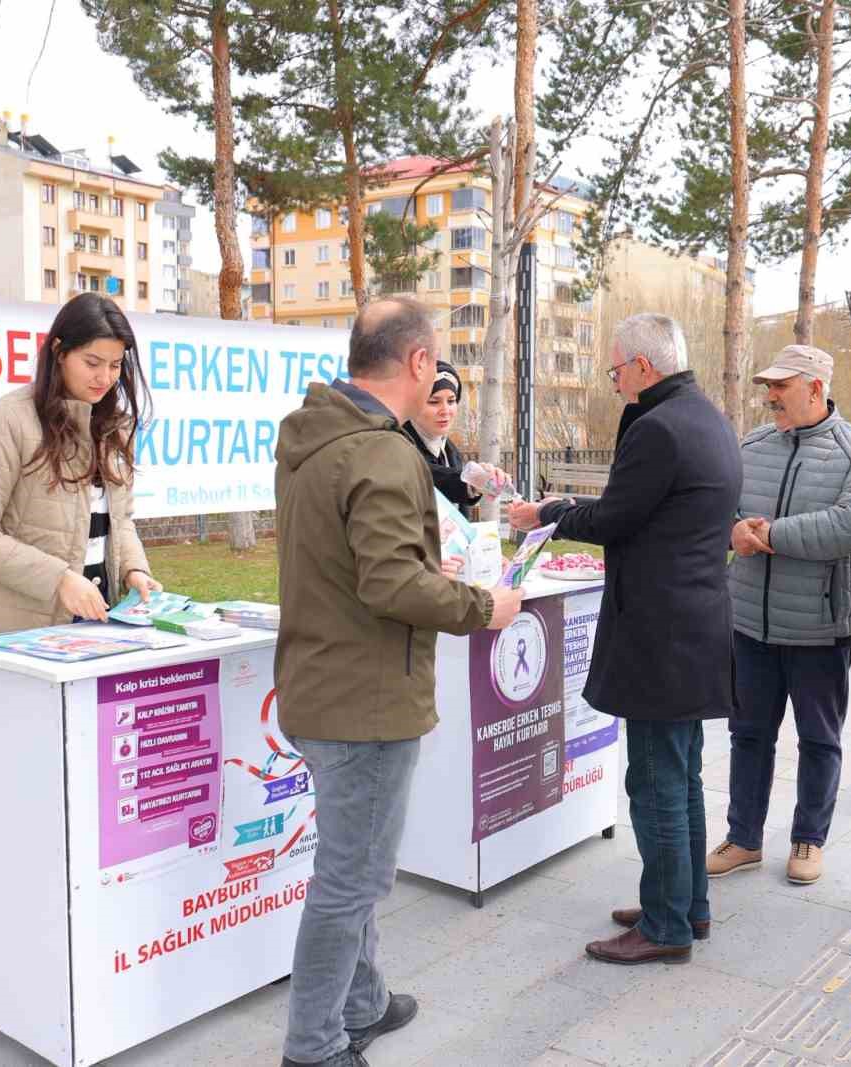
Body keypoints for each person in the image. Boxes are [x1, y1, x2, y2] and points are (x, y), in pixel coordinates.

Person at [274, 297, 525, 1067]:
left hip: (323, 683)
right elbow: (390, 585)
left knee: (355, 862)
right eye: (438, 364)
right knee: (351, 879)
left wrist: (421, 572)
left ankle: (363, 1000)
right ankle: (314, 1045)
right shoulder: (380, 453)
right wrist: (486, 606)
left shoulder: (316, 435)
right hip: (366, 697)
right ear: (419, 363)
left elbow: (362, 568)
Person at [508, 313, 742, 965]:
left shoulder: (660, 427)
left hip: (659, 635)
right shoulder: (708, 418)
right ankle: (686, 903)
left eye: (616, 372)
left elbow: (615, 516)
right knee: (682, 773)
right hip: (693, 625)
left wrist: (548, 513)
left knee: (655, 780)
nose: (615, 385)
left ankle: (666, 925)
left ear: (643, 367)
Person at [711, 345, 851, 886]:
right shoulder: (754, 445)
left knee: (819, 738)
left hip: (819, 627)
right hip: (750, 624)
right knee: (748, 734)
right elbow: (720, 509)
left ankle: (808, 839)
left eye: (780, 387)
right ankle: (743, 838)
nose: (769, 397)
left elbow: (849, 526)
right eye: (768, 387)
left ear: (814, 388)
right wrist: (733, 530)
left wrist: (765, 537)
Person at [0, 293, 161, 660]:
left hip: (98, 623)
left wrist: (134, 570)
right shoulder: (6, 421)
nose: (104, 377)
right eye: (92, 362)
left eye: (115, 365)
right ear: (59, 351)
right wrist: (58, 579)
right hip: (15, 632)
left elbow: (118, 520)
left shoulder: (114, 428)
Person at [400, 360, 504, 508]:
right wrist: (472, 481)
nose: (445, 411)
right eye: (433, 402)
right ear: (413, 404)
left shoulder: (450, 451)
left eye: (451, 401)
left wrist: (480, 477)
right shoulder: (398, 444)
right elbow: (424, 475)